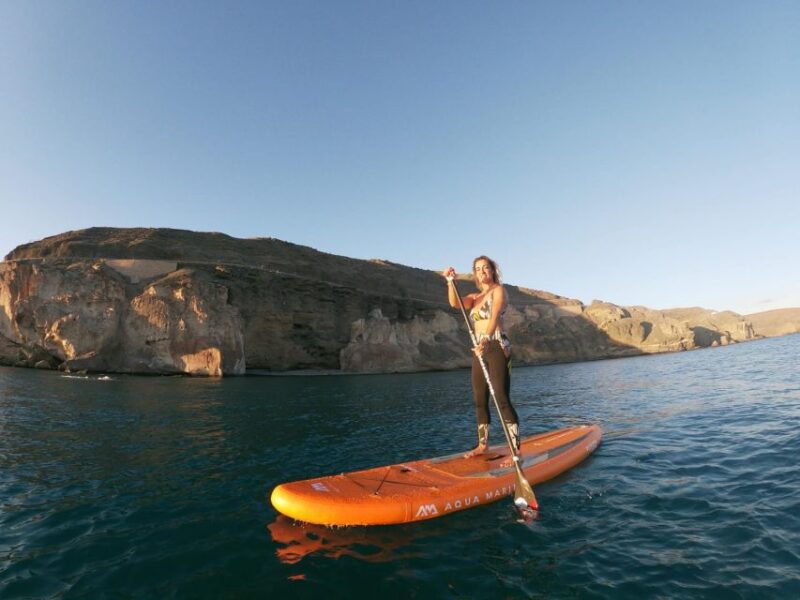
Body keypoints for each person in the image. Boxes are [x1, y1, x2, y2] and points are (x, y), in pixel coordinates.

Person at [442, 256, 520, 467]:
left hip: (495, 345)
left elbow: (494, 317)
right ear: (475, 274)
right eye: (478, 269)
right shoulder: (475, 297)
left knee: (501, 398)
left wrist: (485, 339)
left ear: (493, 270)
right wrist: (451, 282)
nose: (482, 271)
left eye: (486, 268)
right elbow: (455, 302)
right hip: (480, 350)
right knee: (480, 398)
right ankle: (482, 445)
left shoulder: (499, 291)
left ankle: (515, 451)